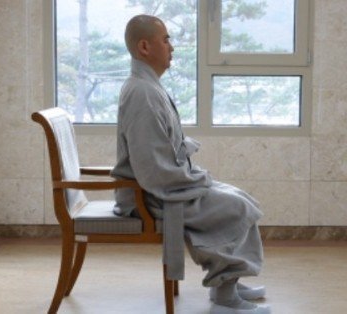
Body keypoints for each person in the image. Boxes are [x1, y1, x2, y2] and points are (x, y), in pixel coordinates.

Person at [110, 15, 271, 314]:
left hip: (162, 185)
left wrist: (187, 156)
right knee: (237, 207)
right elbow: (152, 170)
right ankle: (224, 296)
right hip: (152, 197)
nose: (172, 46)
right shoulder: (142, 93)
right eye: (166, 39)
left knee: (239, 197)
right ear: (145, 47)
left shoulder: (147, 86)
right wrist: (197, 180)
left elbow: (157, 151)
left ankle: (229, 281)